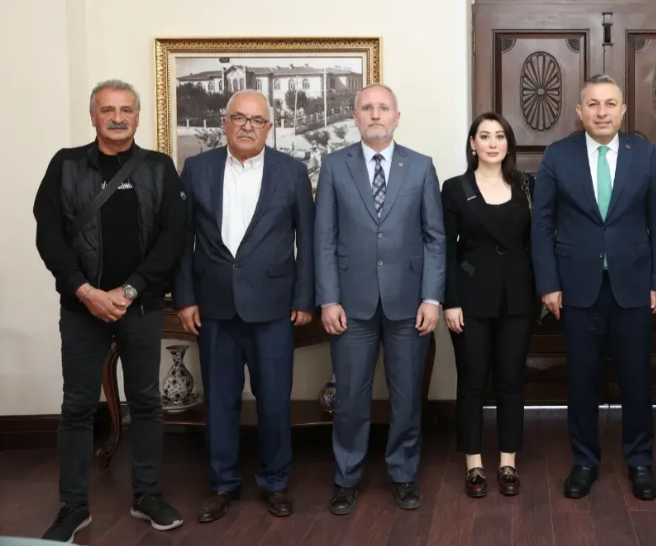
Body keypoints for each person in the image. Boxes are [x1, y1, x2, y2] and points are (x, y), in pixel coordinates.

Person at [33, 80, 188, 542]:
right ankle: (73, 506)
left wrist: (131, 289)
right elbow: (48, 235)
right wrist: (85, 291)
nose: (117, 118)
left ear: (137, 117)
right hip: (82, 308)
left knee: (146, 403)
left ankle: (147, 496)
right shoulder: (65, 165)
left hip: (140, 308)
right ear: (93, 116)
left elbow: (174, 236)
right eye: (107, 110)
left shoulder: (159, 167)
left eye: (126, 110)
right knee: (78, 407)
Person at [173, 91, 315, 523]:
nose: (248, 126)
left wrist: (304, 298)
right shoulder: (197, 169)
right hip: (214, 306)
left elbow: (307, 241)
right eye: (239, 118)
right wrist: (185, 298)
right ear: (225, 122)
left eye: (257, 120)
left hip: (274, 307)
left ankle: (275, 482)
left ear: (269, 127)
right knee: (220, 400)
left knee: (274, 400)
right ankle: (223, 484)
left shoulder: (292, 171)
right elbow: (181, 241)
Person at [531, 73, 656, 501]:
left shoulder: (644, 153)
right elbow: (542, 225)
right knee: (582, 378)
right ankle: (585, 461)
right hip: (576, 288)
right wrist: (548, 284)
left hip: (634, 287)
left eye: (610, 104)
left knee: (636, 379)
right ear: (580, 111)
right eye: (593, 104)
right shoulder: (558, 155)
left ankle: (640, 461)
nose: (602, 112)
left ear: (623, 110)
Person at [314, 83, 445, 514]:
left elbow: (434, 238)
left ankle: (403, 474)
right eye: (367, 108)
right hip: (350, 306)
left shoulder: (421, 166)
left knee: (406, 398)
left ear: (396, 117)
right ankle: (346, 477)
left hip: (410, 305)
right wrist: (328, 299)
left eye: (383, 108)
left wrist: (432, 297)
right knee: (350, 397)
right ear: (354, 117)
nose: (375, 114)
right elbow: (324, 239)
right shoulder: (334, 166)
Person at [441, 112, 537, 498]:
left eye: (500, 136)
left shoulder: (527, 186)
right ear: (473, 144)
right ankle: (475, 464)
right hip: (470, 299)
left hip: (518, 297)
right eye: (484, 136)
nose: (493, 143)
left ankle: (508, 462)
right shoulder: (455, 188)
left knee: (511, 381)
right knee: (473, 381)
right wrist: (450, 301)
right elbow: (446, 250)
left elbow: (538, 240)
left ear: (508, 143)